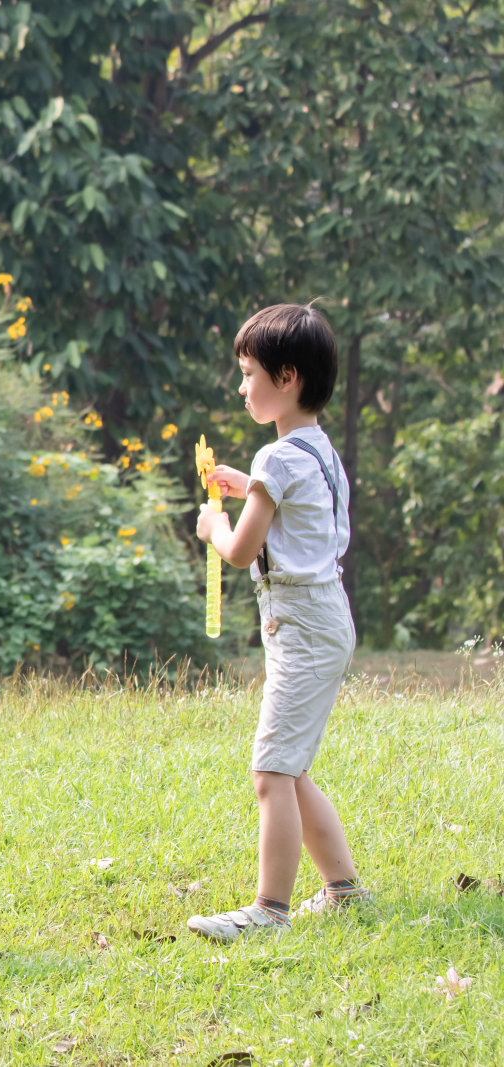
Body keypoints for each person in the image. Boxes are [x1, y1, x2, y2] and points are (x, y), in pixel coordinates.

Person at [188, 302, 371, 942]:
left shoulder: (277, 461)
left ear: (286, 377)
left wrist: (215, 524)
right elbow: (297, 509)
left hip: (301, 626)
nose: (243, 388)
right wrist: (250, 488)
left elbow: (239, 552)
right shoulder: (316, 450)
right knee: (289, 769)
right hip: (323, 619)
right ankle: (344, 892)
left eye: (248, 373)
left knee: (271, 771)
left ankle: (269, 911)